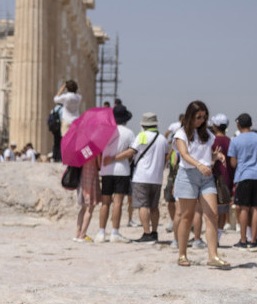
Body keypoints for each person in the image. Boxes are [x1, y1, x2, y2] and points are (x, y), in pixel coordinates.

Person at [172, 101, 230, 268]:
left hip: (206, 177)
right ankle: (182, 254)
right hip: (188, 176)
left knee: (212, 215)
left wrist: (216, 157)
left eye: (204, 117)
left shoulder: (208, 135)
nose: (202, 120)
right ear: (190, 116)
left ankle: (213, 256)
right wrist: (199, 165)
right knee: (187, 216)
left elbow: (206, 157)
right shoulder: (181, 133)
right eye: (198, 117)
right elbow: (184, 154)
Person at [228, 113, 257, 251]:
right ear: (251, 124)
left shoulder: (235, 140)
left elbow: (233, 163)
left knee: (244, 208)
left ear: (238, 125)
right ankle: (254, 240)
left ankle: (243, 239)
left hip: (243, 176)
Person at [96, 104, 135, 243]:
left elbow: (98, 150)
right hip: (122, 170)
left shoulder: (104, 131)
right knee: (118, 203)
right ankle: (115, 232)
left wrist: (101, 162)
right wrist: (115, 158)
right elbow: (131, 151)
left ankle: (101, 233)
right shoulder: (129, 133)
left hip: (106, 170)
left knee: (105, 202)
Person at [130, 113, 169, 243]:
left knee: (142, 206)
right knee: (154, 206)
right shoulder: (162, 138)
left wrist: (115, 158)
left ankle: (146, 233)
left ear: (143, 125)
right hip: (157, 178)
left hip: (141, 176)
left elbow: (132, 152)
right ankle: (154, 232)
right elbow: (166, 156)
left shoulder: (142, 136)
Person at [209, 115, 233, 237]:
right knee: (223, 211)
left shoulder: (211, 140)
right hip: (227, 179)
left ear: (214, 126)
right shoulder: (230, 141)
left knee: (211, 211)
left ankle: (211, 236)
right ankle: (217, 237)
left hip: (212, 179)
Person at [74, 156, 101, 242]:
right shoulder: (95, 150)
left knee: (83, 208)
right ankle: (83, 234)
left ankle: (77, 234)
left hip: (81, 179)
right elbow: (99, 164)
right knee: (90, 208)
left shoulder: (81, 149)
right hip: (91, 178)